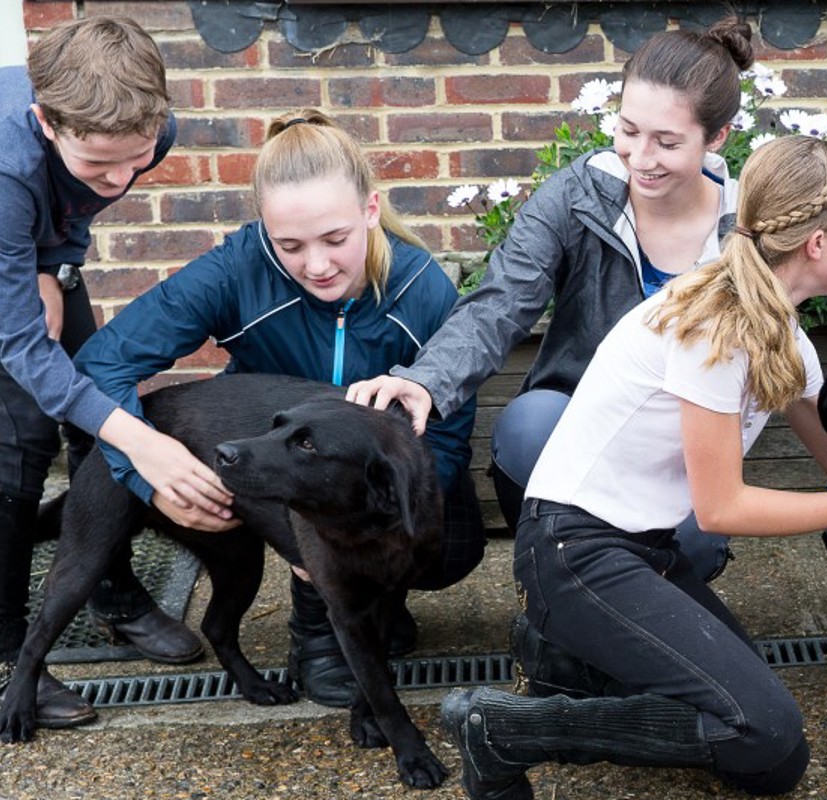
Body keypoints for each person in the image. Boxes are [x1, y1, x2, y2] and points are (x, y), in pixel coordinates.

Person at [438, 135, 827, 799]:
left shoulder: (784, 335)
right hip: (572, 551)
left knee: (766, 760)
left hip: (640, 550)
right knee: (764, 737)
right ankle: (509, 729)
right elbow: (721, 510)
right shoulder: (716, 327)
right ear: (819, 244)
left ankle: (565, 656)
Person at [346, 22, 754, 685]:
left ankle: (636, 616)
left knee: (698, 539)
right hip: (578, 419)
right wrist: (425, 381)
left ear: (717, 139)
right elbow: (501, 300)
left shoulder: (745, 228)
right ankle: (559, 593)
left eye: (667, 140)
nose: (639, 155)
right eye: (627, 129)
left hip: (681, 440)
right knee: (526, 423)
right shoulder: (578, 194)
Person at [74, 109, 483, 709]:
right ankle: (315, 628)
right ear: (264, 229)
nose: (316, 266)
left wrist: (362, 538)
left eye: (336, 239)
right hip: (275, 471)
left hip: (358, 489)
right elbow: (103, 363)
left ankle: (375, 602)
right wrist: (144, 462)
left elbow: (442, 442)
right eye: (289, 245)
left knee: (454, 543)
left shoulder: (421, 289)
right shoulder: (237, 270)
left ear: (371, 211)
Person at [0, 16, 226, 730]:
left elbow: (73, 204)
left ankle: (110, 590)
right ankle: (9, 660)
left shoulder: (153, 131)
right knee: (17, 450)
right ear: (46, 122)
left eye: (132, 159)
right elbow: (24, 350)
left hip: (27, 252)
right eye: (99, 164)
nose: (122, 178)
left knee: (94, 409)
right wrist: (145, 441)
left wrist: (52, 264)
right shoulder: (7, 171)